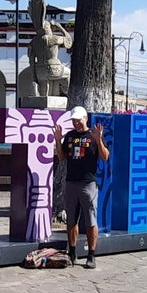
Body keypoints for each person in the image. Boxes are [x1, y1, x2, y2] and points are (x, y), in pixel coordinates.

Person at [54, 106, 109, 268]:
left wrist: (98, 140)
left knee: (91, 219)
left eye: (79, 120)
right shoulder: (70, 136)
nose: (76, 123)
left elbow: (105, 157)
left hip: (88, 183)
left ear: (86, 118)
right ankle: (72, 252)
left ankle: (91, 255)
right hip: (71, 182)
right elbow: (62, 157)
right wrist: (58, 139)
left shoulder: (93, 135)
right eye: (74, 120)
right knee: (71, 220)